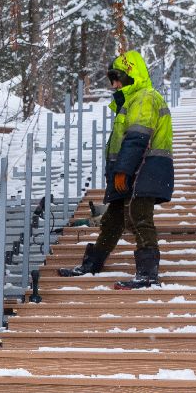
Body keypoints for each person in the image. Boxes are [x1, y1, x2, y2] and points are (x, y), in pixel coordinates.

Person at [59, 49, 174, 288]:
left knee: (139, 217)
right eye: (111, 78)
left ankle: (148, 274)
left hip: (144, 168)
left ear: (131, 76)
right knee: (113, 220)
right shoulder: (131, 100)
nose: (113, 83)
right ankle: (92, 264)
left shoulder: (144, 97)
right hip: (135, 169)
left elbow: (137, 138)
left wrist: (123, 171)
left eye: (117, 77)